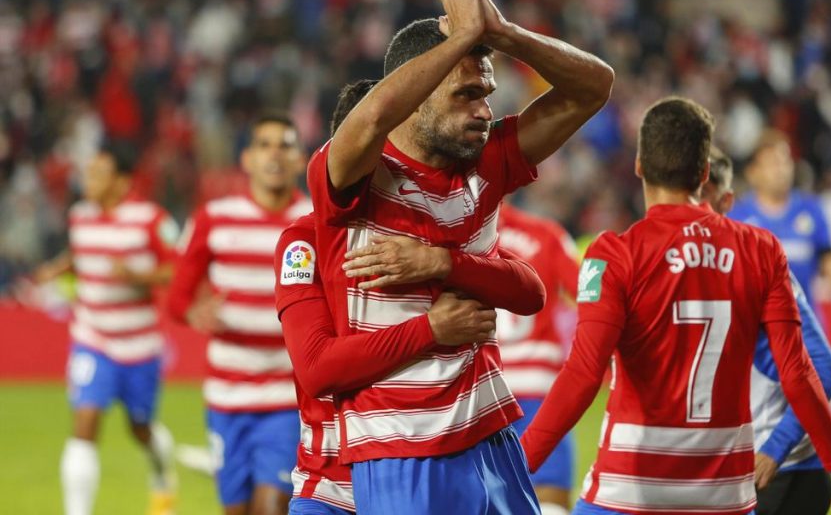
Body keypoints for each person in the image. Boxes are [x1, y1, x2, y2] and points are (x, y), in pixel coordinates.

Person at [308, 0, 613, 514]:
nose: (483, 111)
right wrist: (458, 39)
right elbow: (373, 118)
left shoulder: (487, 160)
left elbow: (594, 86)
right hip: (403, 444)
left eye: (486, 95)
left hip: (492, 428)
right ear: (414, 92)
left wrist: (500, 32)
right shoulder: (355, 176)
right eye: (465, 94)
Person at [520, 97, 831, 515]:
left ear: (639, 167)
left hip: (630, 488)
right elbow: (799, 371)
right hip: (724, 496)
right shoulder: (761, 251)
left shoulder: (612, 254)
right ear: (704, 173)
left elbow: (583, 373)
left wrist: (517, 468)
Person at [272, 79, 545, 515]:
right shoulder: (304, 241)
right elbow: (318, 369)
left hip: (430, 463)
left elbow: (529, 289)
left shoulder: (425, 231)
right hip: (333, 488)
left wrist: (447, 263)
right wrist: (432, 329)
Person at [164, 114, 311, 515]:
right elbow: (176, 298)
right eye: (265, 145)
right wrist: (194, 312)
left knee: (273, 504)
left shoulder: (317, 222)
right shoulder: (213, 218)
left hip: (288, 398)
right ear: (246, 159)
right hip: (226, 399)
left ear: (301, 160)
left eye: (285, 145)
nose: (275, 155)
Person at [34, 140, 178, 515]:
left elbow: (177, 269)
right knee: (84, 422)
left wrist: (137, 275)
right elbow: (80, 253)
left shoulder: (151, 219)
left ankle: (163, 475)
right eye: (87, 173)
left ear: (121, 180)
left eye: (97, 174)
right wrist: (57, 268)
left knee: (140, 428)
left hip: (139, 346)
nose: (87, 181)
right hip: (92, 338)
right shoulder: (80, 215)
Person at [728, 132, 831, 496]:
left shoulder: (809, 210)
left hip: (803, 328)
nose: (782, 169)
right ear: (754, 171)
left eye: (786, 161)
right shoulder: (740, 214)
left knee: (823, 399)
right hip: (759, 335)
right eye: (773, 162)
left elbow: (830, 258)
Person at [703, 147, 831, 515]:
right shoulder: (681, 262)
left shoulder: (762, 250)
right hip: (726, 465)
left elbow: (826, 371)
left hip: (777, 467)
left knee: (823, 399)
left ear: (724, 200)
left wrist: (776, 450)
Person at [497, 202, 580, 515]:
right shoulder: (547, 235)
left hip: (476, 393)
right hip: (539, 393)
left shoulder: (447, 239)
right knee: (549, 505)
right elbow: (590, 297)